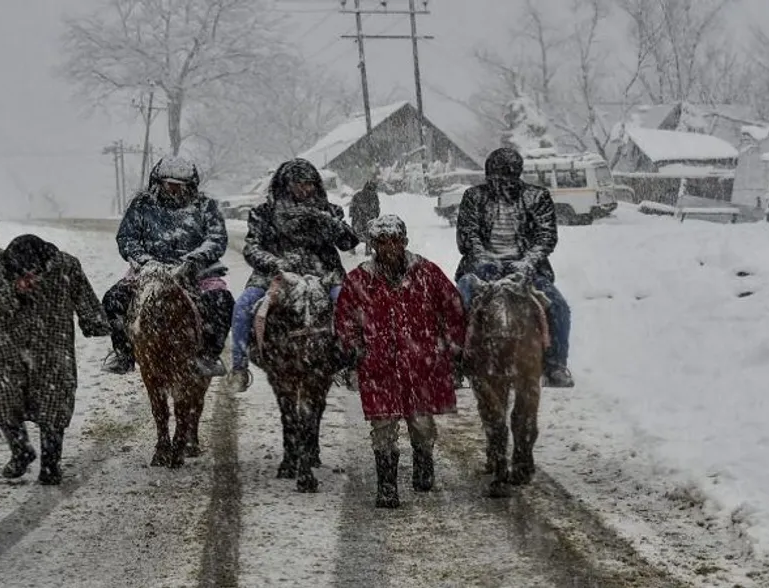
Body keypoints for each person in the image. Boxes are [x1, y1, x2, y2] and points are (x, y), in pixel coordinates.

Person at [334, 214, 464, 508]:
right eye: (382, 241)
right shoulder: (358, 280)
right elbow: (345, 319)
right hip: (378, 366)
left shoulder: (427, 273)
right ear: (373, 245)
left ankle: (423, 459)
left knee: (420, 422)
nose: (389, 247)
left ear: (404, 241)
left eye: (395, 240)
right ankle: (387, 485)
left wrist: (450, 346)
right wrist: (355, 348)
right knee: (383, 427)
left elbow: (453, 307)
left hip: (422, 364)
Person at [0, 234, 110, 484]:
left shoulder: (66, 266)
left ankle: (50, 464)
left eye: (34, 272)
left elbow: (86, 300)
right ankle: (20, 450)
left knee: (54, 403)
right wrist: (12, 291)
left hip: (51, 346)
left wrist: (96, 321)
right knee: (3, 399)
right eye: (21, 273)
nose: (29, 277)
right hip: (3, 348)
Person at [227, 158, 360, 392]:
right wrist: (276, 263)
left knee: (349, 305)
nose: (304, 189)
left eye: (309, 184)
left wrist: (326, 220)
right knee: (242, 307)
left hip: (324, 274)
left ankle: (352, 363)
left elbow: (349, 241)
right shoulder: (264, 213)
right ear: (285, 184)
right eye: (298, 183)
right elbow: (252, 247)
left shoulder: (330, 211)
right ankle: (239, 367)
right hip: (273, 276)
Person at [100, 156, 234, 378]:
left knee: (222, 302)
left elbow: (216, 239)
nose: (174, 189)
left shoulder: (206, 206)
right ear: (158, 182)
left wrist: (193, 260)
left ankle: (209, 356)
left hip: (197, 273)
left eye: (180, 185)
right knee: (113, 299)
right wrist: (145, 261)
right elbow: (127, 238)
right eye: (169, 183)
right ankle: (123, 354)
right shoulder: (141, 205)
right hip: (149, 271)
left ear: (190, 185)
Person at [454, 147, 574, 388]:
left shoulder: (537, 197)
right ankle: (453, 365)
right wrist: (483, 259)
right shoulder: (473, 197)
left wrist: (527, 263)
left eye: (506, 179)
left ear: (517, 176)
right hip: (481, 268)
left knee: (559, 307)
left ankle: (555, 365)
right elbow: (468, 235)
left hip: (527, 270)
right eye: (495, 179)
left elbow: (546, 236)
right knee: (456, 303)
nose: (500, 184)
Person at [349, 178, 381, 255]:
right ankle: (368, 250)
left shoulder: (357, 195)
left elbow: (352, 207)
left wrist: (354, 215)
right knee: (369, 235)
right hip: (368, 219)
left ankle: (352, 249)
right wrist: (375, 216)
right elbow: (376, 209)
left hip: (358, 219)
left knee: (355, 234)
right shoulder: (374, 196)